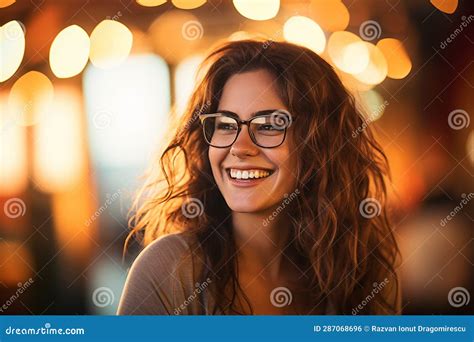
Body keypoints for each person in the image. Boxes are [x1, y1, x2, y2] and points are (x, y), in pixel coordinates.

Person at [117, 39, 401, 315]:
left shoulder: (363, 272)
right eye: (226, 124)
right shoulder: (170, 270)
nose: (239, 148)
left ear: (319, 143)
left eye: (268, 125)